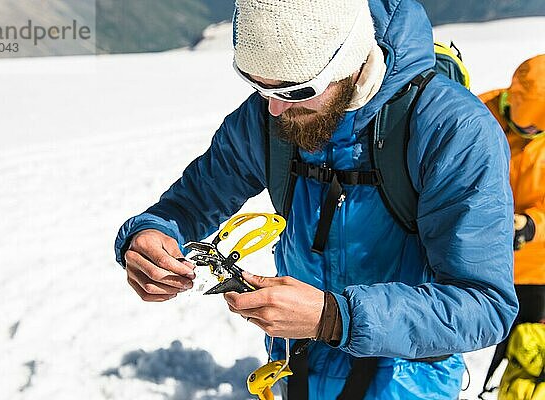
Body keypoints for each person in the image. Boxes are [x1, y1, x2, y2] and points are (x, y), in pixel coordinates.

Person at [115, 0, 518, 399]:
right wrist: (152, 232)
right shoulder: (271, 114)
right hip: (298, 369)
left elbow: (484, 305)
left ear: (349, 61)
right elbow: (195, 198)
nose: (273, 108)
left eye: (296, 89)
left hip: (407, 380)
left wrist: (333, 318)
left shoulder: (453, 130)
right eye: (257, 85)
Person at [478, 54, 545, 398]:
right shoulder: (476, 114)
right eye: (528, 126)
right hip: (484, 262)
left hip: (537, 271)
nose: (533, 133)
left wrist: (531, 224)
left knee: (532, 355)